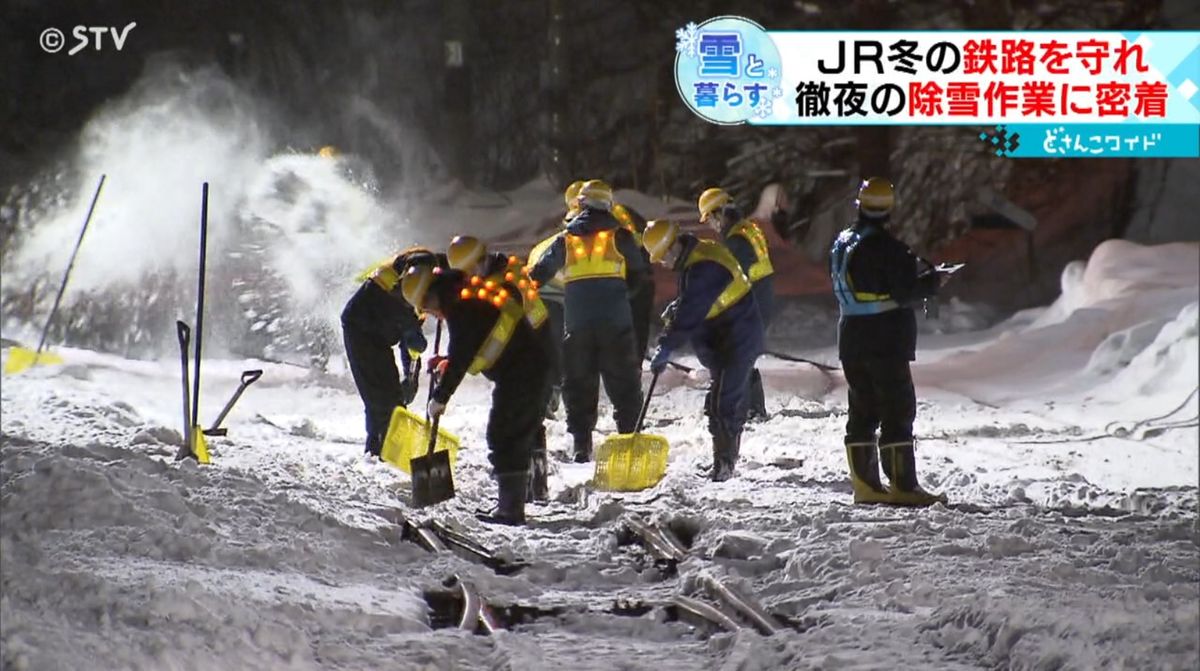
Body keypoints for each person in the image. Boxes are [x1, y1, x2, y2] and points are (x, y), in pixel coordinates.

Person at [400, 264, 549, 525]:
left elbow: (462, 354)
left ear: (429, 297)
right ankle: (516, 500)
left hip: (523, 372)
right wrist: (448, 362)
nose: (432, 315)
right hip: (528, 366)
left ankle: (511, 511)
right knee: (515, 431)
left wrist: (440, 397)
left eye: (426, 308)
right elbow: (475, 341)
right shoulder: (465, 296)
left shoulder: (461, 308)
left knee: (504, 434)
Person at [829, 177, 947, 506]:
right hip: (884, 337)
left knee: (862, 410)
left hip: (850, 335)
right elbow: (905, 291)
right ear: (890, 209)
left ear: (860, 205)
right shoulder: (887, 247)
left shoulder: (842, 242)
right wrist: (934, 282)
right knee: (897, 410)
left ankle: (866, 487)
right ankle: (903, 487)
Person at [529, 179, 648, 463]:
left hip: (577, 324)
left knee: (579, 382)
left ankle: (582, 445)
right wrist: (624, 293)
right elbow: (640, 272)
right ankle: (628, 440)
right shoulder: (621, 236)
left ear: (580, 204)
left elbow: (538, 273)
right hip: (616, 322)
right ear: (608, 205)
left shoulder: (566, 239)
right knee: (623, 383)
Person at [643, 219, 763, 481]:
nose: (662, 263)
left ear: (673, 247)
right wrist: (679, 305)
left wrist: (667, 346)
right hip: (729, 332)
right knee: (723, 399)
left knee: (723, 403)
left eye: (663, 257)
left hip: (736, 335)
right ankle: (724, 461)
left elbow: (692, 311)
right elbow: (699, 299)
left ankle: (724, 466)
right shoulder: (700, 254)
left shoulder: (702, 266)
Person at [446, 234, 554, 502]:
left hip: (534, 354)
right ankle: (532, 485)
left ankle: (528, 485)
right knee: (528, 422)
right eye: (464, 273)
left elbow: (504, 330)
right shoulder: (501, 276)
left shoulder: (504, 285)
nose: (469, 276)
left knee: (518, 424)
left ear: (483, 260)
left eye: (472, 269)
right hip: (533, 354)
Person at [340, 247, 432, 458]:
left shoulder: (423, 281)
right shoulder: (385, 288)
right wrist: (409, 328)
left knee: (392, 397)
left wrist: (411, 375)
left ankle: (386, 451)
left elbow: (410, 336)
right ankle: (378, 451)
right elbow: (406, 325)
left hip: (381, 338)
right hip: (359, 331)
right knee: (379, 398)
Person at [698, 187, 775, 422]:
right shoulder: (747, 229)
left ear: (719, 213)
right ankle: (752, 408)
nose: (711, 224)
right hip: (760, 299)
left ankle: (746, 408)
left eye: (710, 218)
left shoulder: (737, 239)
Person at [611, 200, 656, 363]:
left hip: (632, 279)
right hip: (639, 278)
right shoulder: (621, 211)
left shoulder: (611, 219)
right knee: (637, 331)